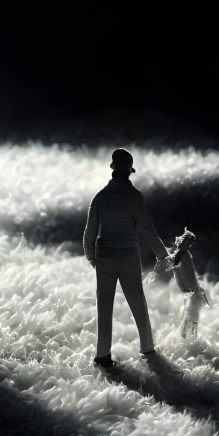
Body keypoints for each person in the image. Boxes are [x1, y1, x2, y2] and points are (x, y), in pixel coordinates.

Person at [83, 148, 170, 368]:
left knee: (104, 308)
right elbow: (147, 229)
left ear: (113, 170)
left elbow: (89, 230)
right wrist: (163, 256)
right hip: (128, 256)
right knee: (137, 303)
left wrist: (91, 255)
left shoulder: (100, 197)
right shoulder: (134, 197)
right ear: (129, 172)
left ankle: (103, 355)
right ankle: (147, 348)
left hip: (103, 256)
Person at [169, 228, 210, 338]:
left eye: (187, 244)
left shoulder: (185, 255)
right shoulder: (177, 254)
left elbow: (191, 276)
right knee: (189, 316)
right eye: (183, 242)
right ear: (181, 240)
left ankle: (191, 342)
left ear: (189, 246)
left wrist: (197, 292)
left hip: (192, 290)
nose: (184, 245)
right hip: (187, 290)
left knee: (192, 316)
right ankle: (187, 343)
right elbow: (178, 273)